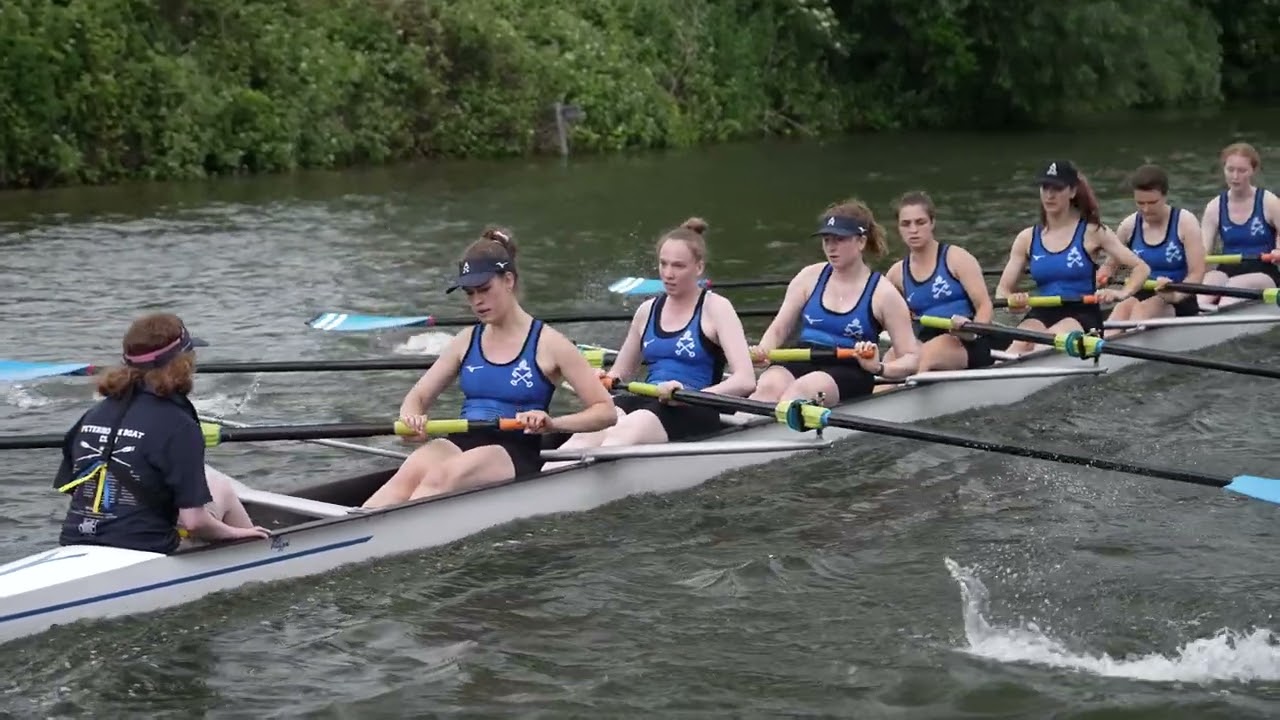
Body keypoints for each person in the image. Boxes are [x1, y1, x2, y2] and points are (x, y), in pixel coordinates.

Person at [362, 227, 617, 507]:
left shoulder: (551, 344)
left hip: (513, 449)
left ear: (508, 280)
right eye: (469, 293)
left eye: (484, 290)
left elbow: (605, 411)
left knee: (443, 477)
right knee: (410, 472)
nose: (477, 302)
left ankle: (389, 538)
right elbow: (418, 397)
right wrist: (411, 418)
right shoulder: (465, 341)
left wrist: (553, 423)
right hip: (464, 438)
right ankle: (355, 533)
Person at [542, 218, 756, 470]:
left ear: (699, 267)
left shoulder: (716, 308)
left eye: (678, 266)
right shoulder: (646, 311)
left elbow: (745, 380)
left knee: (624, 431)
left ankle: (573, 485)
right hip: (648, 397)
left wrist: (690, 396)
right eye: (663, 264)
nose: (668, 274)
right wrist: (602, 378)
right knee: (588, 432)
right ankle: (542, 481)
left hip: (696, 406)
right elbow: (620, 372)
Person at [54, 313, 269, 554]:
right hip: (146, 547)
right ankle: (260, 554)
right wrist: (236, 534)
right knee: (222, 489)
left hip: (75, 538)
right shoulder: (178, 424)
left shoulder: (93, 414)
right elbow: (194, 522)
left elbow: (75, 485)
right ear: (183, 362)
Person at [748, 199, 920, 406]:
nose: (831, 247)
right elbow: (778, 329)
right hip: (804, 356)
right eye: (826, 240)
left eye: (839, 239)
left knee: (800, 391)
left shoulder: (884, 294)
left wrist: (879, 368)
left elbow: (911, 358)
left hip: (851, 368)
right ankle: (740, 428)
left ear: (861, 242)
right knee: (768, 387)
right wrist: (764, 350)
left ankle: (782, 419)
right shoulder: (808, 277)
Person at [994, 160, 1150, 355]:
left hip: (1082, 313)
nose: (1049, 195)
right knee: (1016, 348)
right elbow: (1002, 290)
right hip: (1042, 312)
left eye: (1057, 188)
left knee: (1045, 346)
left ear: (1072, 192)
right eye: (1045, 188)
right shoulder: (1027, 238)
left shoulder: (1093, 232)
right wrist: (1012, 302)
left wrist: (1121, 293)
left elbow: (1141, 268)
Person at [883, 191, 995, 372]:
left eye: (920, 222)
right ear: (898, 228)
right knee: (889, 359)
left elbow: (984, 306)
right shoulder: (896, 274)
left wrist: (973, 332)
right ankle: (879, 395)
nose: (913, 230)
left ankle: (907, 391)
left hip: (965, 340)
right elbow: (880, 317)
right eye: (906, 224)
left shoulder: (957, 259)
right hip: (924, 339)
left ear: (932, 222)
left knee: (925, 355)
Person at [1103, 164, 1205, 333]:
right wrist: (1102, 276)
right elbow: (1111, 266)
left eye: (1152, 202)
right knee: (1122, 308)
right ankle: (1105, 348)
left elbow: (1197, 274)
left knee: (1143, 309)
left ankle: (1128, 347)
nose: (1146, 209)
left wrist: (1175, 295)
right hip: (1141, 294)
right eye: (1140, 203)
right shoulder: (1128, 226)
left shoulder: (1185, 222)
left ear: (1165, 196)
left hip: (1178, 298)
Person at [1198, 142, 1280, 309]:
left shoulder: (1269, 202)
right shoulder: (1214, 207)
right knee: (1210, 281)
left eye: (1242, 170)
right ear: (1224, 169)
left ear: (1253, 171)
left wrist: (1278, 250)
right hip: (1227, 269)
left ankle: (1219, 314)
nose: (1235, 176)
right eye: (1230, 169)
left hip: (1264, 271)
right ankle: (1194, 315)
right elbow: (1203, 252)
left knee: (1234, 285)